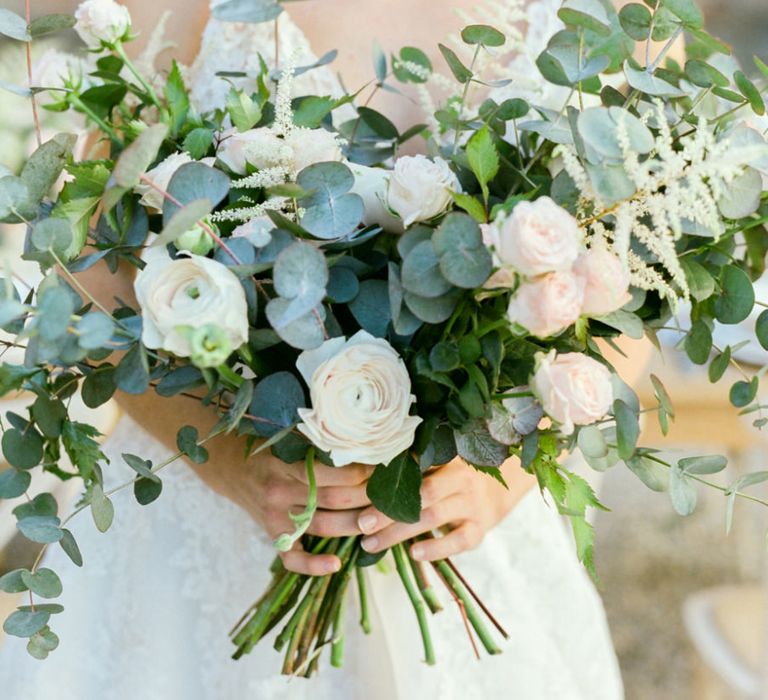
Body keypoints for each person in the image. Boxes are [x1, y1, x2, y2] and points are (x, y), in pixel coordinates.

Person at [0, 1, 650, 697]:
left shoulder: (610, 19)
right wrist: (229, 464)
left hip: (466, 535)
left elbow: (633, 306)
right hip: (202, 537)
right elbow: (95, 305)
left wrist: (505, 476)